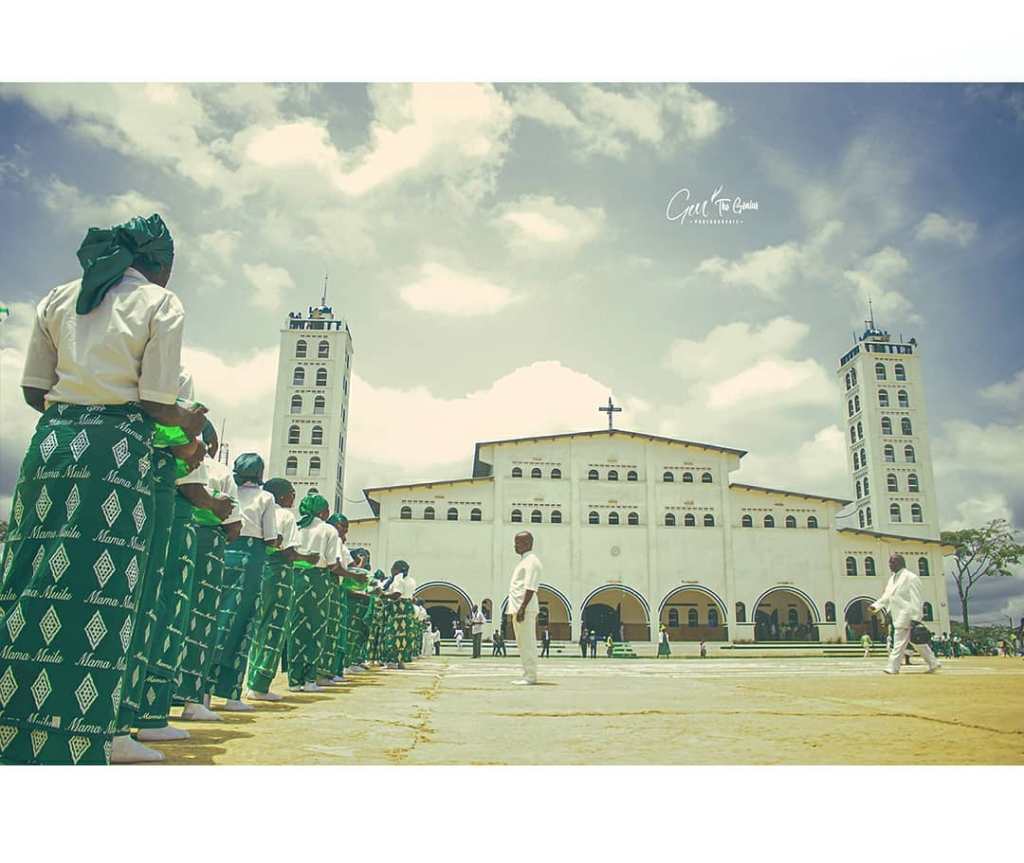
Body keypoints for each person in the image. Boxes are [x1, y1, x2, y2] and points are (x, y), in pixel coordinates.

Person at [0, 214, 208, 766]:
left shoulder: (57, 298)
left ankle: (14, 732)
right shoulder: (161, 305)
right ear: (159, 263)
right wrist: (186, 422)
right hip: (114, 454)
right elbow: (155, 401)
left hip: (52, 447)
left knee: (29, 581)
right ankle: (84, 736)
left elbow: (32, 390)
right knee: (104, 591)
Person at [245, 478, 317, 701]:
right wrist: (308, 558)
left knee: (255, 623)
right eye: (292, 493)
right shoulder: (285, 515)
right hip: (278, 575)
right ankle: (260, 684)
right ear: (284, 496)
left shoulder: (255, 506)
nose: (294, 498)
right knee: (274, 626)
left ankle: (249, 679)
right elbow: (288, 553)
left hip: (257, 569)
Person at [870, 553, 941, 674]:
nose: (890, 565)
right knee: (916, 642)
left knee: (898, 641)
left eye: (892, 562)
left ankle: (893, 667)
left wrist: (916, 617)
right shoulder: (892, 579)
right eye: (889, 562)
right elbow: (887, 596)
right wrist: (876, 606)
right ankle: (933, 663)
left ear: (900, 563)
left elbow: (916, 598)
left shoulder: (910, 577)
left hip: (907, 614)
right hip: (897, 614)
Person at [506, 531, 541, 685]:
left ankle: (531, 676)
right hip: (519, 608)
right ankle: (527, 673)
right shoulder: (524, 561)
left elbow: (530, 587)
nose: (515, 546)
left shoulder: (532, 561)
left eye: (518, 543)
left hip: (524, 608)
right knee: (522, 643)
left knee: (527, 643)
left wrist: (522, 608)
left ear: (527, 544)